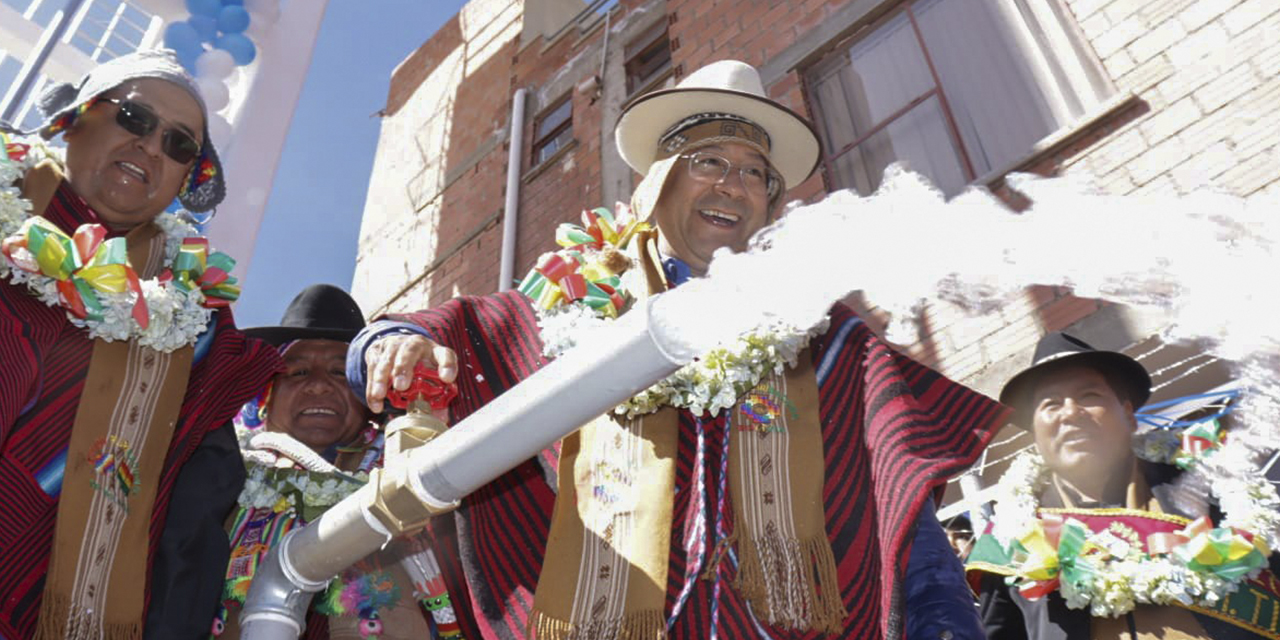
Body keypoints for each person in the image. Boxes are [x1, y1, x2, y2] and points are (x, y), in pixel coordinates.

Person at [346, 60, 1010, 639]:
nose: (735, 185)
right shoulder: (570, 298)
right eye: (710, 163)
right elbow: (452, 330)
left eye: (757, 173)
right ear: (658, 180)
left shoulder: (820, 330)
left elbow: (899, 496)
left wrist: (941, 618)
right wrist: (397, 341)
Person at [0, 50, 279, 639]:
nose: (153, 147)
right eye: (134, 117)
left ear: (186, 179)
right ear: (75, 119)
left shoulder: (196, 323)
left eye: (181, 145)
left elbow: (190, 516)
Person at [972, 332, 1280, 639]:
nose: (1070, 413)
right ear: (1035, 434)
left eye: (1089, 396)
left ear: (1129, 414)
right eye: (1050, 405)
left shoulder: (1209, 486)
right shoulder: (1010, 541)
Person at [216, 284, 465, 640]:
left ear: (371, 394)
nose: (319, 387)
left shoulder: (407, 463)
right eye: (298, 373)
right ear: (265, 398)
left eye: (339, 373)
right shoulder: (221, 474)